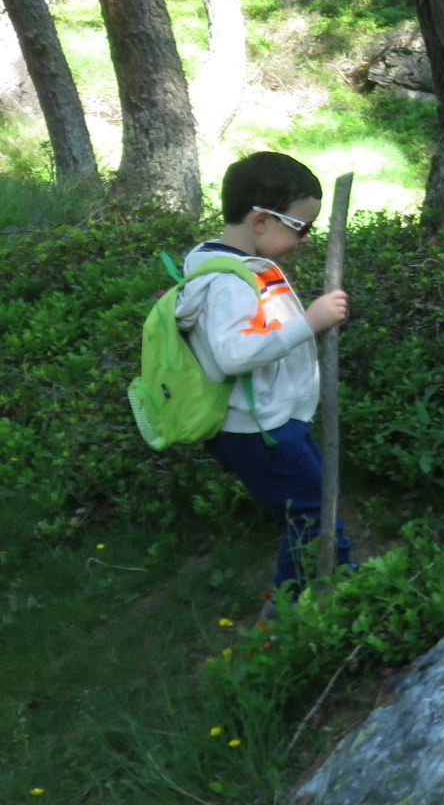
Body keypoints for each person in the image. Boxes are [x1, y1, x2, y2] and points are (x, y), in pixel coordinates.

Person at [175, 152, 353, 618]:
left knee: (310, 509)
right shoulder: (228, 281)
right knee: (313, 515)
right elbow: (234, 354)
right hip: (257, 428)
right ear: (260, 220)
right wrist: (309, 322)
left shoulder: (237, 264)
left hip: (270, 421)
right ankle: (306, 609)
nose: (305, 238)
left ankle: (314, 596)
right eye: (300, 227)